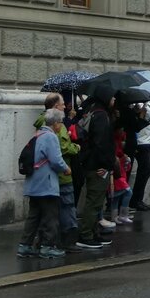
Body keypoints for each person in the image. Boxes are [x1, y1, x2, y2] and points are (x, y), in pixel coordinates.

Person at [17, 108, 71, 259]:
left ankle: (24, 246)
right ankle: (47, 247)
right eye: (61, 122)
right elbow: (56, 160)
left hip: (34, 183)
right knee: (50, 216)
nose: (61, 125)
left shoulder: (37, 134)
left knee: (33, 216)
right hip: (46, 184)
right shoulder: (51, 137)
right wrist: (66, 168)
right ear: (55, 123)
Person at [36, 93, 80, 251]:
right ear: (55, 107)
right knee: (66, 206)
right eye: (62, 104)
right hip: (61, 174)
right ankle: (67, 241)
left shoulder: (42, 123)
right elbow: (62, 148)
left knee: (46, 211)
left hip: (46, 176)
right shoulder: (56, 125)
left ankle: (41, 242)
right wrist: (76, 147)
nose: (65, 106)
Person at [75, 84, 117, 250]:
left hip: (93, 164)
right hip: (97, 166)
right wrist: (106, 165)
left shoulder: (95, 112)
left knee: (97, 202)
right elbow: (101, 143)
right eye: (112, 96)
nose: (114, 99)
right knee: (94, 202)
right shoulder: (100, 116)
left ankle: (93, 233)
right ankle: (86, 235)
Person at [128, 102, 150, 212]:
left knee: (145, 171)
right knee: (145, 170)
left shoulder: (149, 105)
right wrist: (140, 112)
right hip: (141, 142)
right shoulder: (134, 106)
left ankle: (138, 199)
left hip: (149, 141)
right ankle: (135, 200)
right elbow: (137, 125)